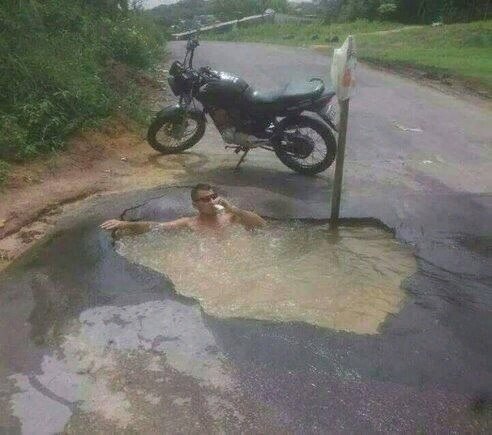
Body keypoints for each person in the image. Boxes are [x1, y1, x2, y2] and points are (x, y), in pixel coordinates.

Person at [100, 183, 266, 234]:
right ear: (195, 205)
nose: (211, 201)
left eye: (213, 196)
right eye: (205, 199)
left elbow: (261, 224)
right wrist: (124, 224)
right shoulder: (189, 223)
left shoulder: (231, 216)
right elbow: (156, 227)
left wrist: (233, 209)